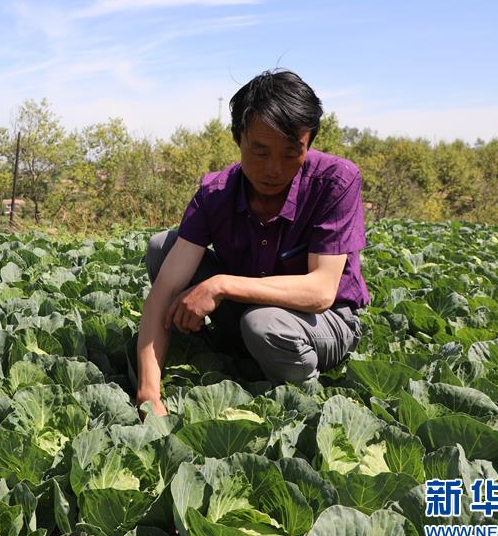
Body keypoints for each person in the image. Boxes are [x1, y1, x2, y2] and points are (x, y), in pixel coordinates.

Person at [136, 69, 370, 416]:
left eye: (292, 153)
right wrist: (148, 394)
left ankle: (298, 397)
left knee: (264, 325)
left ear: (309, 144)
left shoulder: (335, 181)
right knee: (162, 247)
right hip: (248, 313)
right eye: (260, 152)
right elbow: (164, 291)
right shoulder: (216, 193)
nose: (274, 169)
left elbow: (320, 292)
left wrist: (220, 285)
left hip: (325, 321)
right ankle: (246, 351)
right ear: (238, 138)